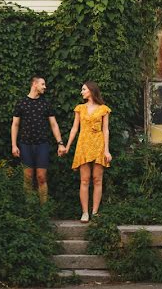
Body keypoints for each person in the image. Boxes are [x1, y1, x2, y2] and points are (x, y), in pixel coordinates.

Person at [62, 81, 112, 222]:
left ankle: (95, 212)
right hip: (83, 144)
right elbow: (74, 129)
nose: (81, 92)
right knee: (84, 180)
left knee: (97, 179)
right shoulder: (80, 108)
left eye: (83, 89)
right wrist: (67, 146)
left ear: (91, 90)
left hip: (98, 145)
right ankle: (85, 212)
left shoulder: (104, 109)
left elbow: (106, 130)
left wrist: (107, 150)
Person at [11, 76, 65, 203]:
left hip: (42, 145)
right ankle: (30, 211)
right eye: (42, 84)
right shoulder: (21, 103)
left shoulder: (45, 103)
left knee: (41, 177)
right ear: (34, 84)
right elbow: (15, 125)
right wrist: (14, 145)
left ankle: (43, 212)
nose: (45, 87)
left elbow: (54, 124)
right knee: (28, 178)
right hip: (25, 145)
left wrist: (60, 143)